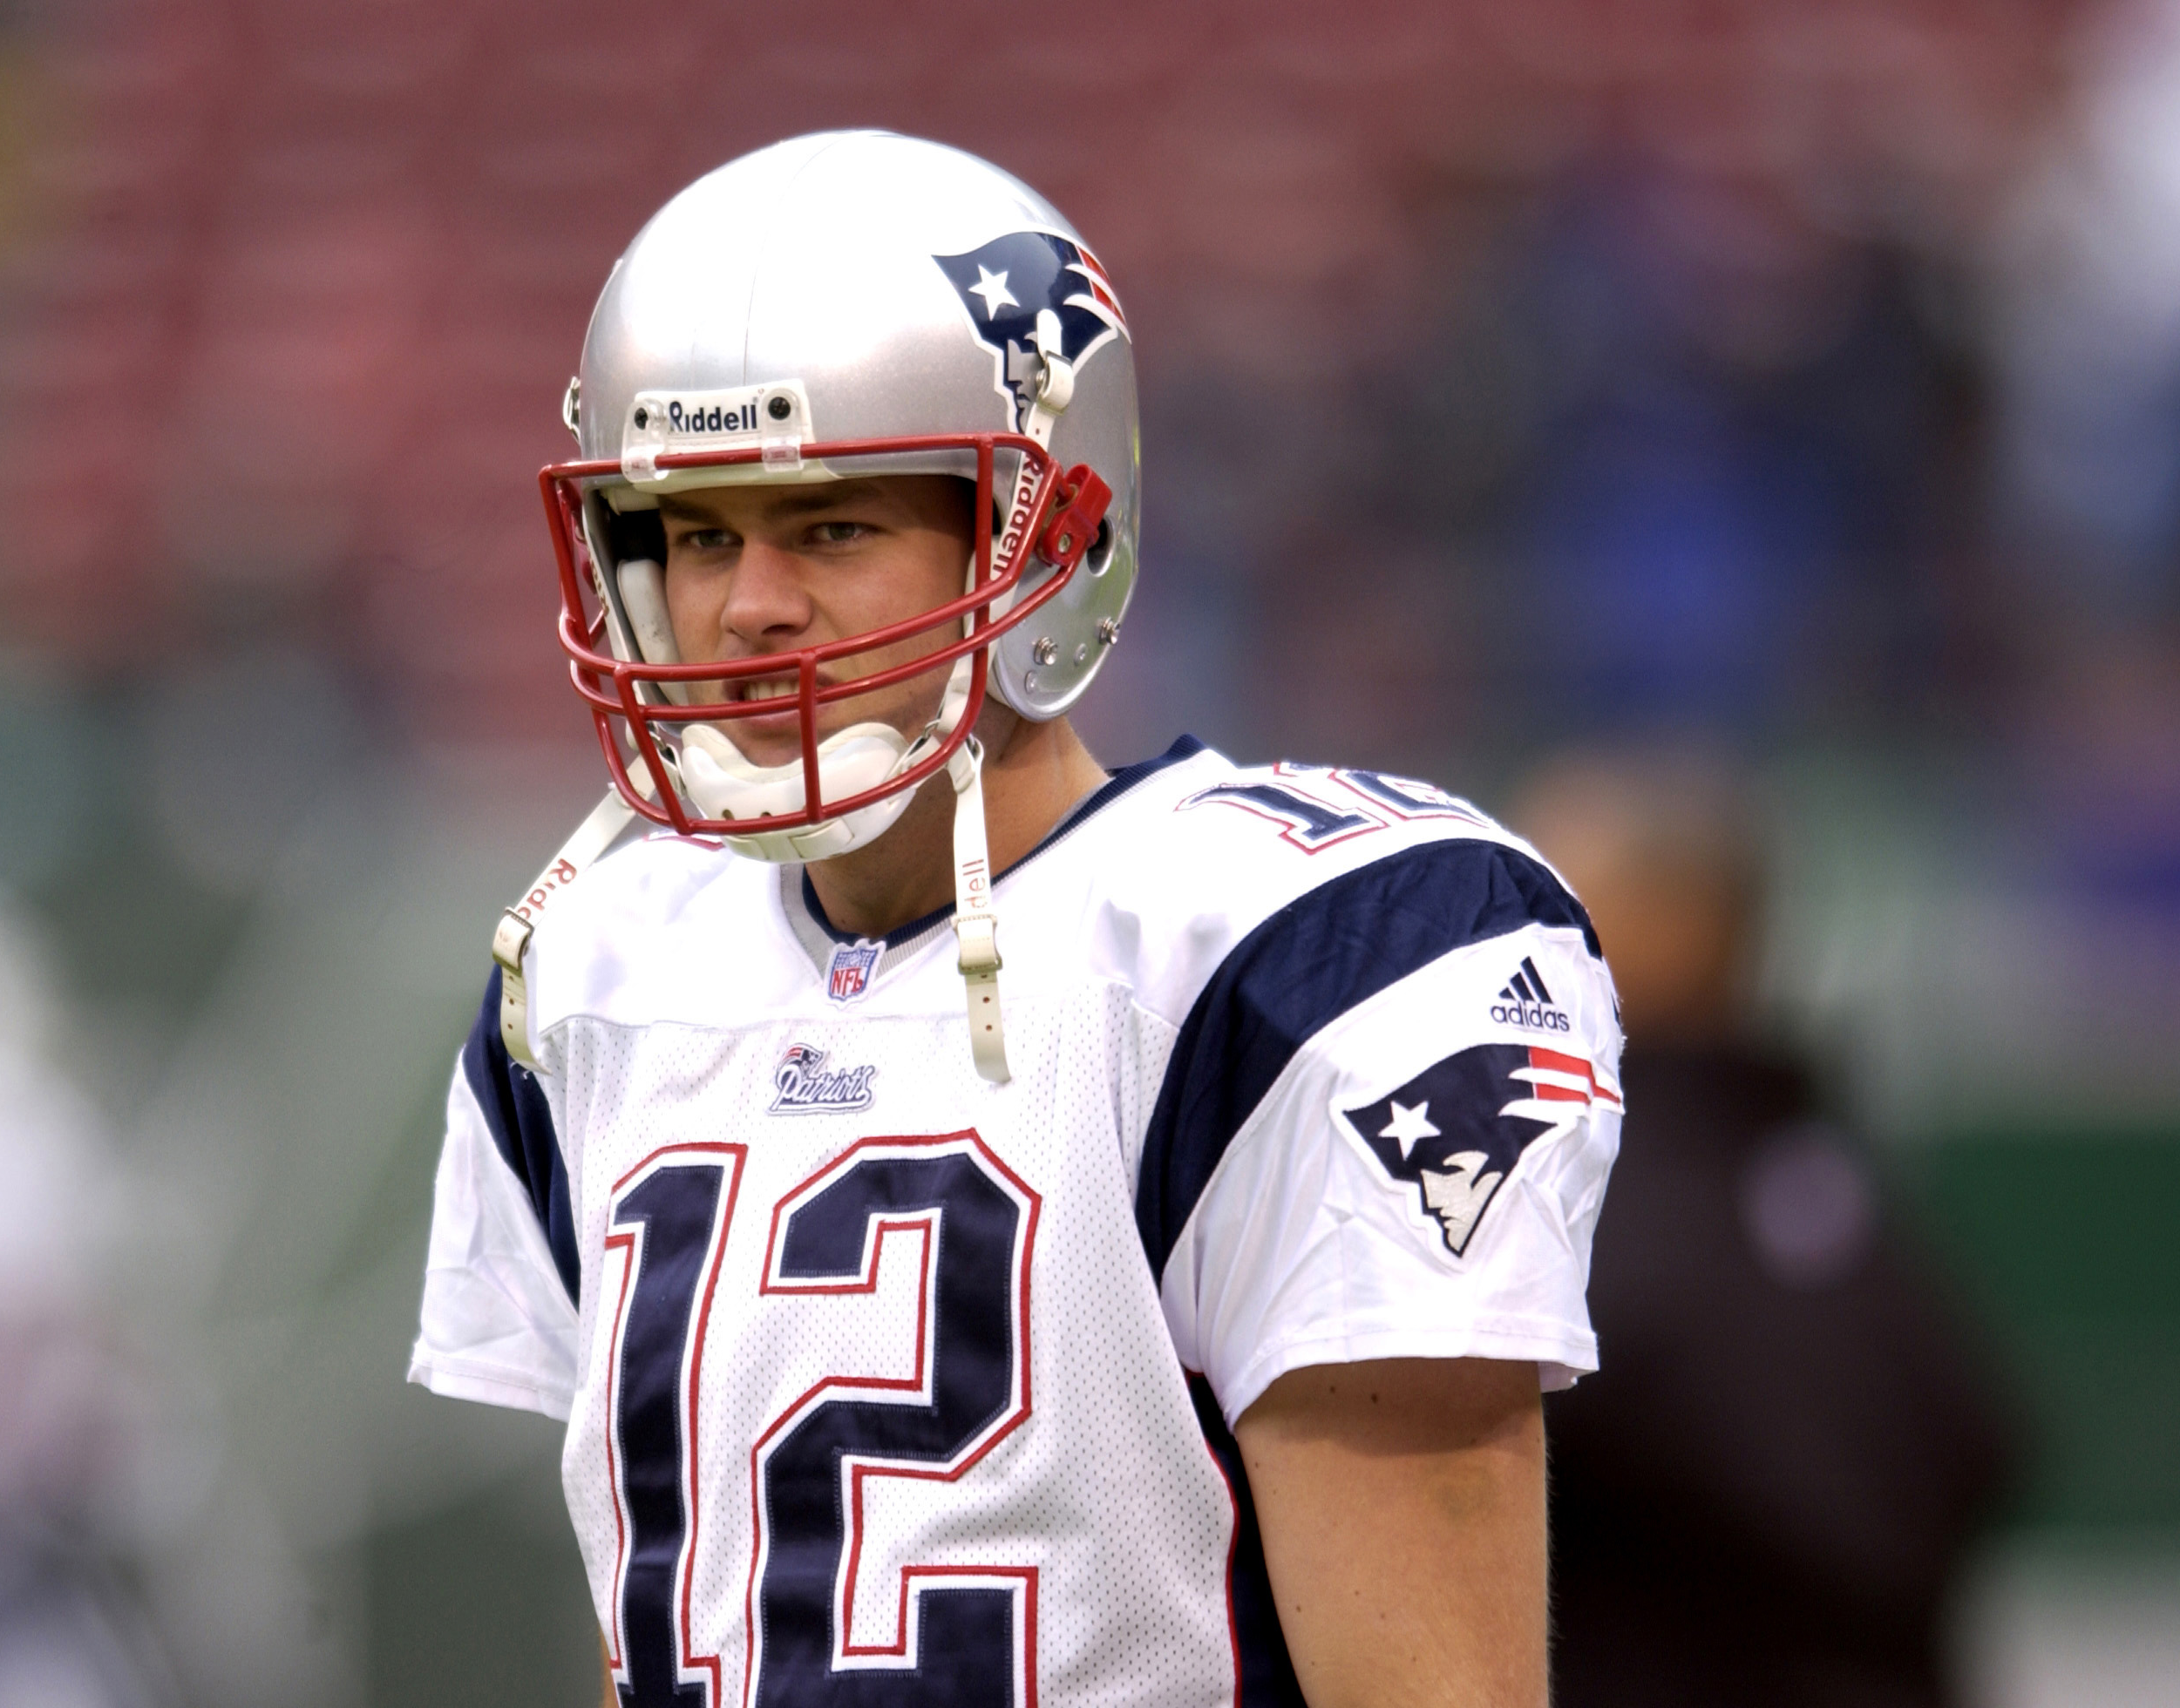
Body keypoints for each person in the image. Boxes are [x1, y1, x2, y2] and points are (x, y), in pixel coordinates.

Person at [408, 131, 1620, 1707]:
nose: (746, 605)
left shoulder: (1286, 961)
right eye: (697, 535)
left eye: (830, 527)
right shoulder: (595, 972)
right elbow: (661, 1617)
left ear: (1046, 539)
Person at [1511, 749, 2018, 1708]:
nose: (1500, 931)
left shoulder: (1610, 1186)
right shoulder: (1809, 1172)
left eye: (1543, 889)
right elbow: (1976, 1436)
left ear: (1672, 928)